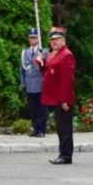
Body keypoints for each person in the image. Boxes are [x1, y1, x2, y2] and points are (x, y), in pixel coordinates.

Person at [38, 26, 76, 165]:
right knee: (61, 129)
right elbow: (47, 73)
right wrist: (41, 62)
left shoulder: (66, 55)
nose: (54, 41)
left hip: (62, 99)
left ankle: (66, 156)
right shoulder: (54, 54)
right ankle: (63, 154)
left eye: (57, 39)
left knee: (64, 129)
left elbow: (66, 80)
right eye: (52, 40)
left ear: (63, 41)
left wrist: (64, 100)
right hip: (55, 98)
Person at [20, 27, 48, 137]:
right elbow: (22, 70)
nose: (32, 39)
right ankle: (35, 129)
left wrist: (42, 58)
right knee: (32, 109)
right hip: (29, 86)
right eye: (31, 37)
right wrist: (23, 84)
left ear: (38, 39)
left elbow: (46, 68)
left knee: (41, 109)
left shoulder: (43, 51)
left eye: (35, 37)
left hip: (41, 85)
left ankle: (41, 130)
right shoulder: (24, 52)